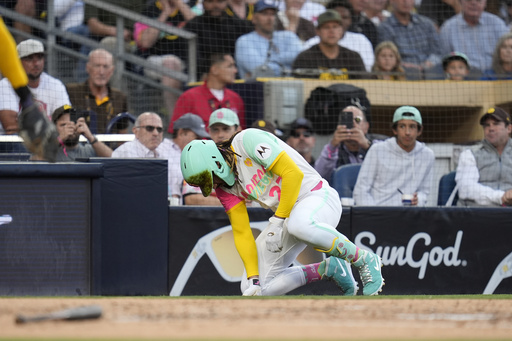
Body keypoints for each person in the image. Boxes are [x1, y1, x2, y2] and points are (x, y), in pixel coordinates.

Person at [180, 128, 384, 296]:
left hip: (316, 196)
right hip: (288, 217)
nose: (211, 185)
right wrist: (253, 278)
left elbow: (292, 174)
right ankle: (328, 269)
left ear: (215, 162)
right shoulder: (224, 188)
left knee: (299, 224)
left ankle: (364, 259)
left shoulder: (247, 140)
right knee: (256, 290)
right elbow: (242, 232)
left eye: (208, 178)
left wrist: (278, 222)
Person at [113, 112, 209, 202]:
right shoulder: (127, 151)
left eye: (159, 129)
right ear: (135, 131)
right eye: (149, 128)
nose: (155, 133)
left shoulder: (158, 152)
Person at [0, 17, 58, 161]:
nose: (35, 63)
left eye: (39, 58)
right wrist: (26, 98)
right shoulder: (4, 85)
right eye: (29, 58)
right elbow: (10, 128)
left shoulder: (55, 84)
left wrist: (26, 99)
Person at [353, 106, 435, 206]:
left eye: (412, 127)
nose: (407, 132)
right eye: (402, 126)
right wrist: (373, 214)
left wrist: (419, 200)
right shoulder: (377, 150)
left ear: (419, 130)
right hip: (379, 213)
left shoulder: (427, 155)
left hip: (410, 215)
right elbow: (361, 190)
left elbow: (424, 192)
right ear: (394, 130)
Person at [134, 0, 196, 115]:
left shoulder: (190, 7)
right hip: (153, 62)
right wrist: (165, 13)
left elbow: (201, 28)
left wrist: (179, 4)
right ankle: (175, 119)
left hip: (187, 62)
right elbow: (145, 43)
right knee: (171, 63)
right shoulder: (149, 11)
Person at [168, 53, 246, 133]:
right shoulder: (189, 97)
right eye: (230, 66)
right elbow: (175, 132)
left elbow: (241, 132)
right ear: (215, 69)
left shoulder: (235, 98)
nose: (235, 71)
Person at [455, 107, 512, 207]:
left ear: (509, 128)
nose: (491, 128)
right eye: (487, 125)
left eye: (496, 124)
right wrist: (501, 197)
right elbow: (466, 188)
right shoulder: (470, 153)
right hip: (478, 214)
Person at [182, 108, 241, 205]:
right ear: (208, 131)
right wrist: (237, 202)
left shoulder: (247, 155)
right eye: (215, 130)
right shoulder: (198, 157)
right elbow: (191, 199)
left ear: (237, 129)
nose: (220, 135)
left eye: (225, 129)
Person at [315, 105, 386, 182]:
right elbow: (318, 177)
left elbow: (390, 168)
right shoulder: (331, 150)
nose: (352, 124)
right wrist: (333, 146)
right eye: (345, 120)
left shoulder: (379, 144)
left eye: (357, 120)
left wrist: (367, 146)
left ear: (366, 126)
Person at [184, 0, 253, 80]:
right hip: (203, 76)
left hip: (234, 75)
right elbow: (193, 57)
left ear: (227, 3)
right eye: (210, 2)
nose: (215, 5)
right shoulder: (193, 25)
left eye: (220, 1)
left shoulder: (239, 25)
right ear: (203, 4)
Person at [235, 0, 303, 79]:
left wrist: (268, 61)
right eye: (265, 14)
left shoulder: (288, 36)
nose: (270, 18)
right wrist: (288, 68)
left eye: (273, 14)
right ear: (254, 18)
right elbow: (262, 72)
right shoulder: (244, 41)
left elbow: (301, 60)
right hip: (258, 89)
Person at [292, 9, 368, 80]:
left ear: (341, 30)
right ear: (318, 31)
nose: (331, 31)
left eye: (335, 27)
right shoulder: (305, 58)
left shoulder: (353, 58)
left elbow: (363, 85)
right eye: (326, 27)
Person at [66, 48, 128, 134]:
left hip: (109, 147)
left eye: (105, 67)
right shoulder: (71, 92)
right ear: (88, 68)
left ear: (112, 70)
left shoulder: (120, 97)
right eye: (97, 66)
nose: (101, 72)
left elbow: (122, 136)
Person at [302, 0, 375, 72]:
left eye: (345, 17)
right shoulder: (310, 45)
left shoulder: (361, 41)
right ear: (318, 30)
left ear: (351, 20)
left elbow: (366, 73)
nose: (341, 21)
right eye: (327, 27)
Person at [440, 0, 509, 73]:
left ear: (485, 3)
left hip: (495, 78)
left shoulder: (497, 24)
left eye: (478, 0)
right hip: (463, 80)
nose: (473, 3)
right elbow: (444, 59)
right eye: (469, 0)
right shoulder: (448, 28)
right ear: (460, 2)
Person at [377, 0, 442, 77]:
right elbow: (387, 57)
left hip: (430, 74)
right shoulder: (385, 28)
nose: (406, 2)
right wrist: (410, 68)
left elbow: (438, 53)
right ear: (391, 1)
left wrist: (428, 64)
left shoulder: (427, 24)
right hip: (402, 76)